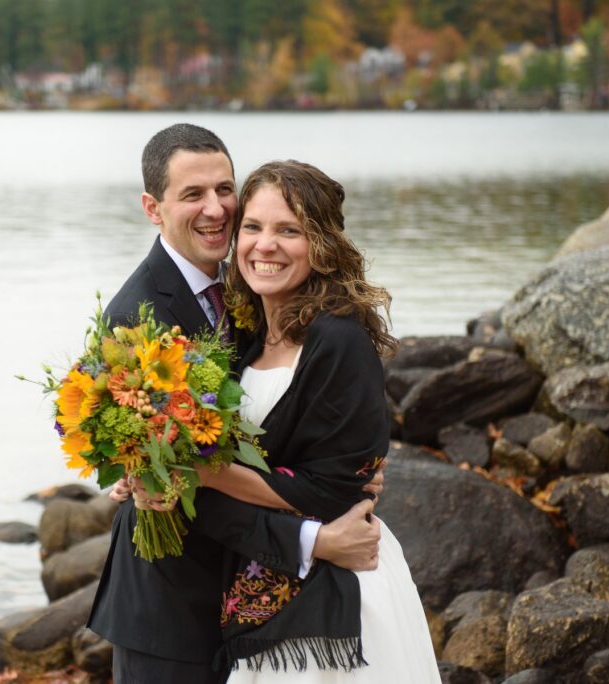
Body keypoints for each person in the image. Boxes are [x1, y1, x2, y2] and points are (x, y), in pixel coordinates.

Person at [87, 124, 385, 684]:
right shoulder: (135, 318)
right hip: (170, 601)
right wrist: (314, 539)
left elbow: (278, 420)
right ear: (153, 208)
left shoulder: (251, 286)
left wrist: (347, 466)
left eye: (225, 190)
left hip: (251, 593)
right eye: (193, 194)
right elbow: (182, 488)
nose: (216, 209)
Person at [194, 160, 442, 682]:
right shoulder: (242, 340)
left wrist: (207, 474)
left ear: (321, 245)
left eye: (289, 230)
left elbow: (335, 491)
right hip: (264, 577)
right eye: (253, 227)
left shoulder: (338, 340)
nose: (265, 245)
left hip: (339, 595)